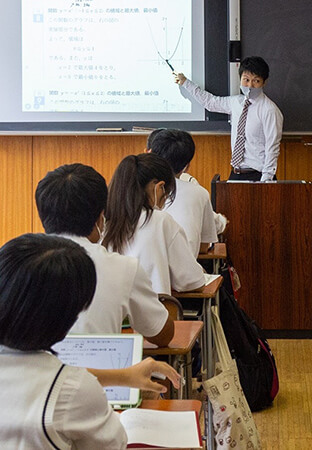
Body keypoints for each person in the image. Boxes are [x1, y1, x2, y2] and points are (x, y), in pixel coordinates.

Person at [0, 234, 180, 448]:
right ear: (64, 319)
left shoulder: (62, 384)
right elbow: (114, 444)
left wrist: (123, 377)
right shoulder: (72, 392)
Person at [35, 163, 174, 347]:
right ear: (101, 217)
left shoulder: (13, 258)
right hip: (99, 373)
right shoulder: (124, 268)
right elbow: (161, 334)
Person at [103, 153, 206, 294]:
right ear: (159, 188)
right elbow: (192, 282)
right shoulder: (161, 221)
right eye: (168, 193)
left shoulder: (103, 223)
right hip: (150, 312)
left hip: (111, 313)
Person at [174, 56, 283, 182]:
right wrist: (186, 83)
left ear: (264, 82)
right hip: (236, 172)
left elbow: (272, 147)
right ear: (240, 79)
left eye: (256, 81)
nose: (250, 85)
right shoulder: (236, 102)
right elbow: (210, 102)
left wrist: (266, 181)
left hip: (259, 175)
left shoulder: (270, 110)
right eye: (246, 80)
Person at [148, 128, 219, 257]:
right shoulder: (199, 193)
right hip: (183, 272)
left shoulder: (130, 189)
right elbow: (203, 246)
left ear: (149, 153)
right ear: (187, 166)